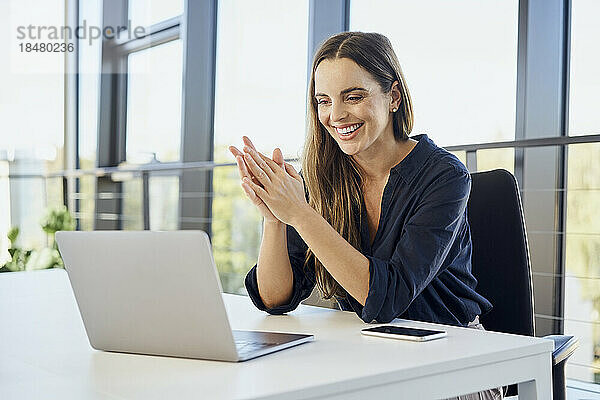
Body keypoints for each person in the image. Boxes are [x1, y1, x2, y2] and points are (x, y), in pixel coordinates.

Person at [229, 32, 502, 400]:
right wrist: (276, 218)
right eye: (323, 101)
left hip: (454, 363)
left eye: (353, 97)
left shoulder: (443, 176)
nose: (336, 115)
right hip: (368, 358)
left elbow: (385, 300)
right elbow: (277, 298)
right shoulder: (323, 177)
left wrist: (301, 213)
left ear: (393, 97)